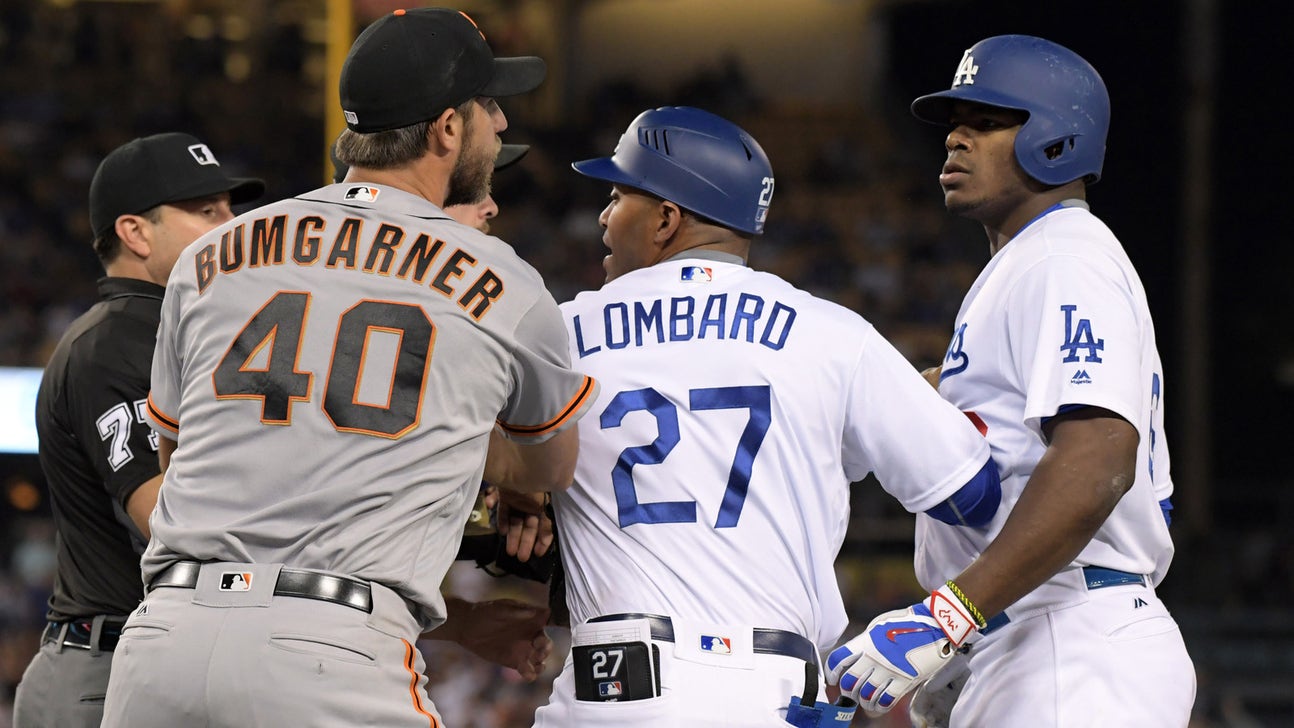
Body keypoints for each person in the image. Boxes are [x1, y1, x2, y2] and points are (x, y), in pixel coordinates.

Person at [100, 8, 597, 727]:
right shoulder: (504, 281)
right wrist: (489, 462)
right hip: (331, 651)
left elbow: (181, 459)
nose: (499, 123)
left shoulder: (214, 253)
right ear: (447, 129)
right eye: (490, 104)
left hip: (164, 642)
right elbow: (551, 468)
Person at [531, 106, 1001, 727]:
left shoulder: (559, 336)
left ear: (667, 219)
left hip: (618, 690)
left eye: (618, 196)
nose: (603, 217)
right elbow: (972, 494)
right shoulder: (832, 336)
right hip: (776, 696)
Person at [825, 35, 1196, 726]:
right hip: (1043, 628)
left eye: (988, 121)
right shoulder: (1032, 263)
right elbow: (1151, 499)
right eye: (954, 123)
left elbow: (1097, 461)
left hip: (1068, 632)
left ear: (1058, 139)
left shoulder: (1064, 257)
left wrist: (951, 614)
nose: (956, 138)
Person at [13, 132, 265, 728]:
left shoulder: (187, 332)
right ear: (135, 232)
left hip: (157, 659)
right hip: (104, 667)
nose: (233, 226)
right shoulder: (115, 343)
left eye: (231, 209)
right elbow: (170, 519)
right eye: (207, 212)